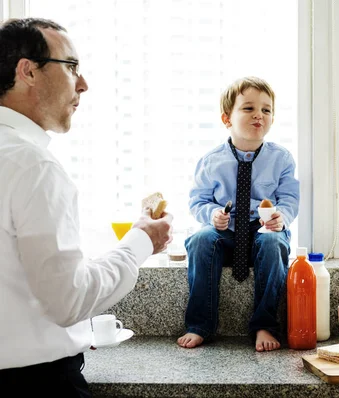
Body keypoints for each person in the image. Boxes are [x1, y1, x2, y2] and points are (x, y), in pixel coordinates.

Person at [0, 18, 173, 397]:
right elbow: (70, 300)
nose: (83, 84)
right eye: (71, 67)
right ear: (28, 71)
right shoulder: (33, 166)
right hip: (34, 386)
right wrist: (141, 241)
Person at [177, 76, 300, 352]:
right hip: (226, 231)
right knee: (200, 241)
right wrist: (212, 215)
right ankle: (199, 325)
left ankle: (264, 324)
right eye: (248, 108)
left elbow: (290, 198)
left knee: (273, 242)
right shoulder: (211, 161)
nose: (259, 114)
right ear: (226, 118)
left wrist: (281, 216)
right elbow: (198, 200)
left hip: (263, 230)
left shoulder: (281, 159)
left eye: (266, 110)